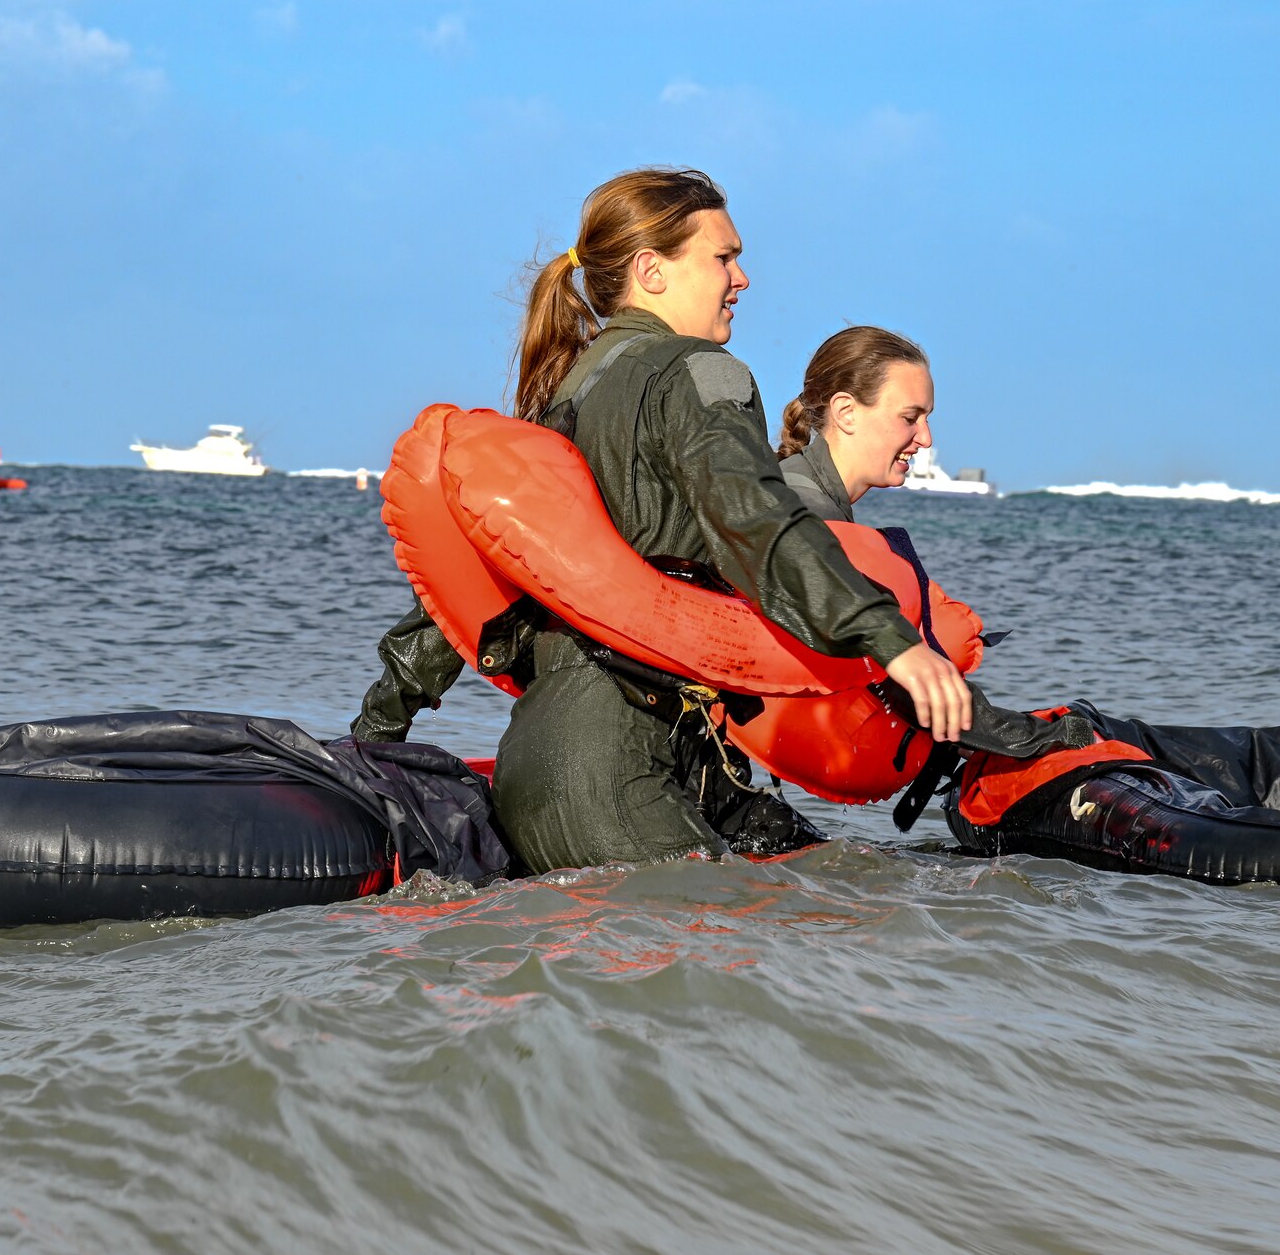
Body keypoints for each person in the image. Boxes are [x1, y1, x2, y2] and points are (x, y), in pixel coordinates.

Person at [351, 168, 971, 873]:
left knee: (836, 886)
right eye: (723, 257)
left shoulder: (567, 390)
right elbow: (761, 522)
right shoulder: (701, 373)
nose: (742, 278)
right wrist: (895, 642)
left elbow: (456, 588)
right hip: (617, 773)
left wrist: (373, 737)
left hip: (555, 769)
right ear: (651, 271)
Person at [776, 326, 935, 522]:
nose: (926, 439)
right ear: (846, 413)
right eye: (910, 418)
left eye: (926, 419)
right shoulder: (811, 519)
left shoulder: (795, 495)